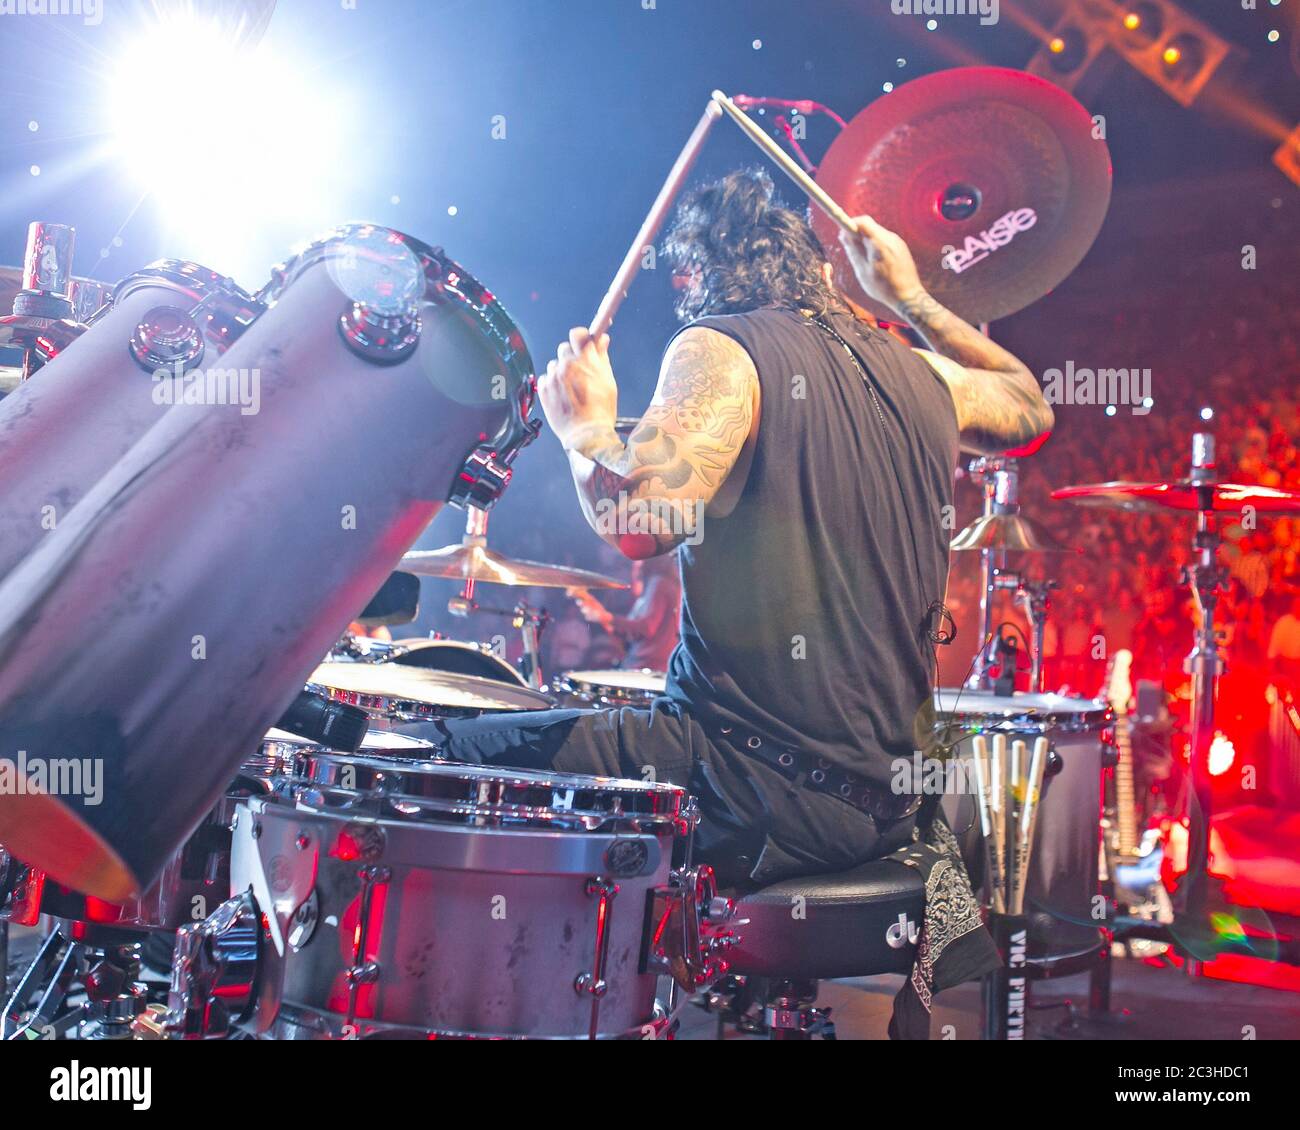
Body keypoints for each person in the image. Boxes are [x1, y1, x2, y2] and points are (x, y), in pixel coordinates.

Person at [401, 169, 1052, 890]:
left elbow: (640, 521)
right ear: (823, 275)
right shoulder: (925, 373)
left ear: (697, 278)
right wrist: (912, 297)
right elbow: (1030, 406)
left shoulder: (720, 346)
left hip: (750, 785)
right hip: (894, 804)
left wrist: (582, 426)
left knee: (430, 752)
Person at [567, 552, 682, 671]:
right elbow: (630, 634)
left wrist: (607, 618)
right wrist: (599, 612)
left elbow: (646, 628)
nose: (636, 566)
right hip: (645, 665)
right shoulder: (662, 584)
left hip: (647, 666)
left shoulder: (659, 583)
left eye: (638, 561)